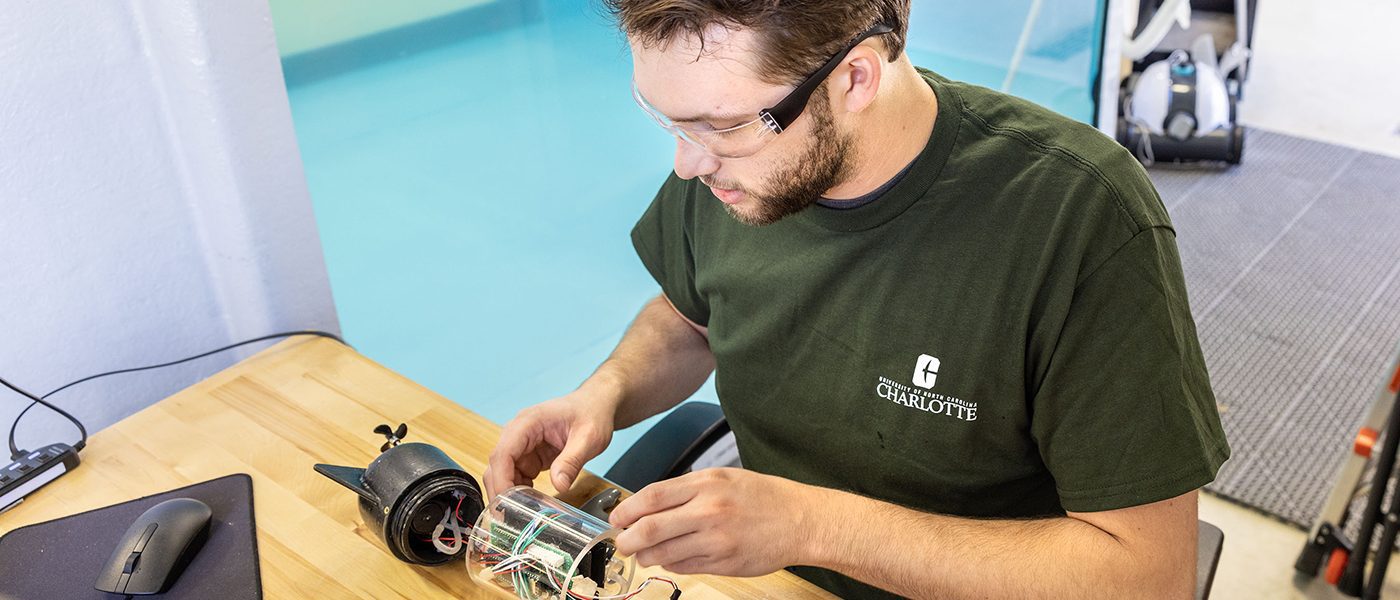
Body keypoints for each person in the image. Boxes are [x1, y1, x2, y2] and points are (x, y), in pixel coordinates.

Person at [484, 1, 1230, 597]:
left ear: (856, 79)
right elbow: (692, 316)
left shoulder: (1080, 220)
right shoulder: (736, 170)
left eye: (722, 126)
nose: (688, 164)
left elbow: (1145, 577)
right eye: (670, 121)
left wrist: (813, 526)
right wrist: (606, 394)